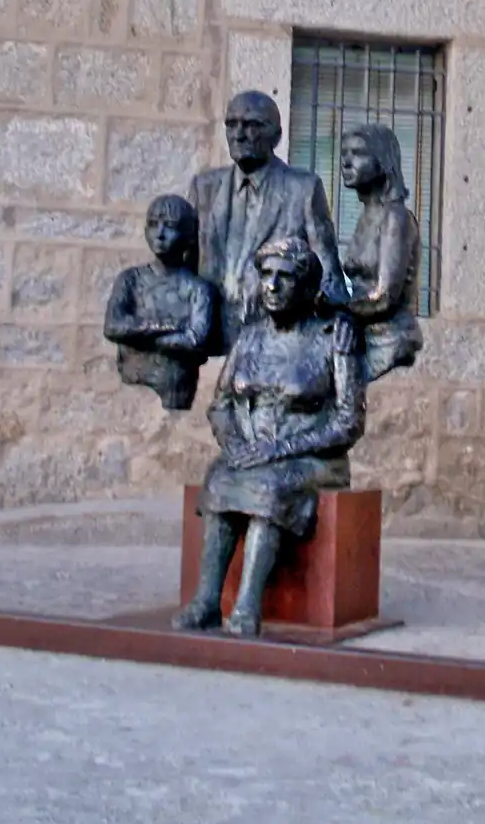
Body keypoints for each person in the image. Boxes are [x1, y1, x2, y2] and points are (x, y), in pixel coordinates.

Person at [173, 236, 365, 637]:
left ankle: (247, 605)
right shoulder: (251, 337)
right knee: (220, 477)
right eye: (266, 275)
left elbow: (349, 420)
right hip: (253, 454)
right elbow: (221, 404)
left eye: (285, 277)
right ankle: (207, 601)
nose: (272, 286)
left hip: (313, 459)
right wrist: (235, 446)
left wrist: (281, 449)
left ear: (307, 287)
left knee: (269, 486)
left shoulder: (333, 339)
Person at [189, 90, 345, 355]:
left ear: (277, 135)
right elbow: (182, 266)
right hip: (209, 339)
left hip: (274, 342)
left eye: (252, 125)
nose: (239, 134)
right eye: (232, 124)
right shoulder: (204, 188)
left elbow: (329, 274)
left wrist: (339, 321)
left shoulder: (303, 190)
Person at [101, 195, 215, 410]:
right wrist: (165, 328)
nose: (160, 234)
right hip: (131, 385)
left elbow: (195, 339)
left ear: (187, 235)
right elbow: (113, 326)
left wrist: (139, 336)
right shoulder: (131, 279)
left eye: (169, 226)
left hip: (173, 389)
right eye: (153, 224)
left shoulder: (198, 289)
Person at [336, 122, 423, 382]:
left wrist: (335, 307)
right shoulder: (367, 216)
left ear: (383, 161)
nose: (346, 162)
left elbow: (384, 297)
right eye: (344, 153)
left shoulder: (395, 218)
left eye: (358, 153)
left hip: (388, 338)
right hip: (362, 332)